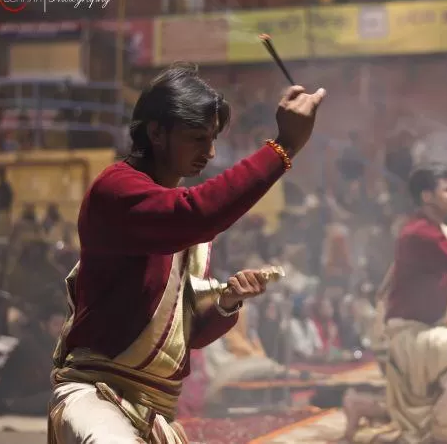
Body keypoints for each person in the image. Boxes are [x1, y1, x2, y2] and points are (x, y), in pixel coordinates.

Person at [47, 63, 326, 444]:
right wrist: (283, 146)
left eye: (212, 139)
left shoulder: (186, 228)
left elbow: (182, 337)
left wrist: (227, 303)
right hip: (98, 397)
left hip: (156, 412)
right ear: (157, 132)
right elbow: (196, 214)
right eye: (197, 138)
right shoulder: (117, 189)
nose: (209, 153)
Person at [369, 164, 447, 444]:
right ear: (427, 196)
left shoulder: (434, 230)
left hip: (423, 331)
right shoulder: (420, 234)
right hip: (409, 337)